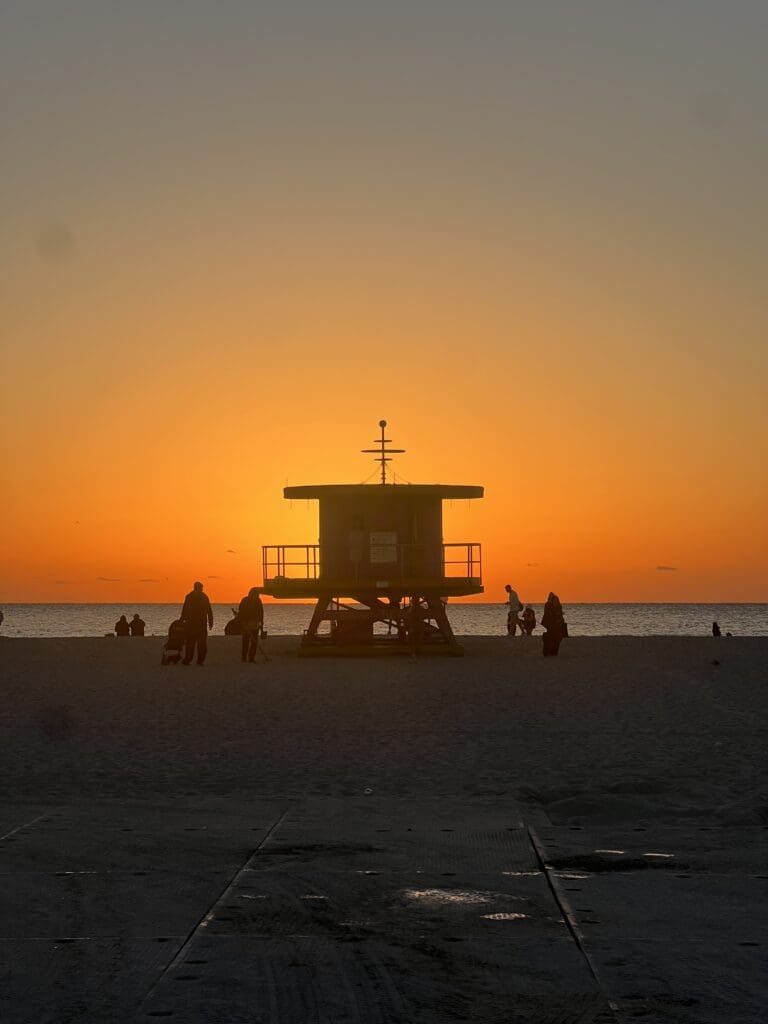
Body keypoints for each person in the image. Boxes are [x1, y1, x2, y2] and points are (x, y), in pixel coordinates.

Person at [179, 581, 214, 665]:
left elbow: (209, 610)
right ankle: (188, 659)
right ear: (196, 588)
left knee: (201, 644)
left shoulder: (203, 597)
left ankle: (199, 660)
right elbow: (185, 609)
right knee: (190, 643)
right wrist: (182, 620)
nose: (201, 589)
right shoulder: (190, 597)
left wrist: (210, 621)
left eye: (201, 588)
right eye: (200, 588)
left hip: (200, 624)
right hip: (191, 624)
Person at [238, 587, 264, 662]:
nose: (258, 595)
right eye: (257, 594)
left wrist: (261, 622)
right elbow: (241, 611)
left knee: (253, 642)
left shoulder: (257, 601)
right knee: (247, 641)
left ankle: (250, 658)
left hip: (254, 623)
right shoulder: (245, 600)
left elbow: (261, 612)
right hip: (247, 623)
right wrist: (242, 621)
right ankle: (245, 658)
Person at [541, 592, 567, 656]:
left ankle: (552, 650)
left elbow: (560, 615)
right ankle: (550, 650)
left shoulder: (557, 606)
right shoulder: (548, 605)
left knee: (556, 637)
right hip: (550, 623)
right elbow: (547, 614)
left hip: (556, 624)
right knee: (551, 636)